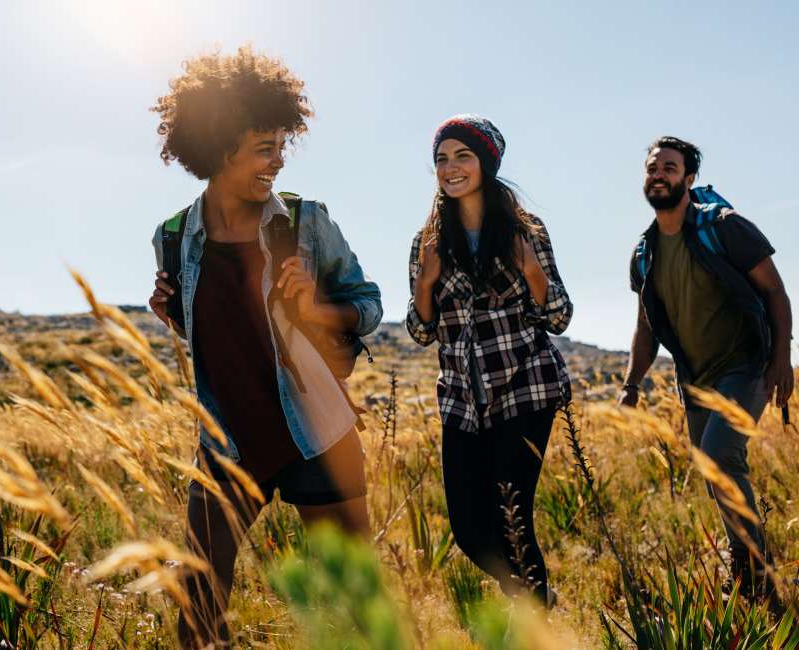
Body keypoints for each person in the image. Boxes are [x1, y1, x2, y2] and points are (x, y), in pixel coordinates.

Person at [147, 47, 382, 648]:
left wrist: (317, 309)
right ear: (219, 146)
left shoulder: (307, 222)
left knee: (360, 604)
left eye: (282, 146)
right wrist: (171, 315)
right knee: (197, 604)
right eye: (263, 148)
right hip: (227, 441)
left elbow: (369, 305)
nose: (278, 161)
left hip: (317, 434)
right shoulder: (174, 237)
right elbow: (211, 331)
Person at [406, 114, 573, 607]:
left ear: (487, 163)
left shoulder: (526, 231)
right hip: (461, 402)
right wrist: (424, 284)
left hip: (525, 391)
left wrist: (532, 271)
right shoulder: (428, 242)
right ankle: (533, 598)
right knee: (468, 529)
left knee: (512, 519)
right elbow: (420, 331)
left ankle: (532, 623)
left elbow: (560, 316)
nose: (450, 168)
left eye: (463, 156)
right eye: (441, 159)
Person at [620, 136, 792, 603]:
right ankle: (745, 562)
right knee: (714, 472)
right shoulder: (645, 252)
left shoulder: (725, 227)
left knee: (719, 454)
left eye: (670, 167)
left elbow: (775, 292)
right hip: (695, 380)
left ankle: (757, 573)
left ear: (689, 179)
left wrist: (782, 359)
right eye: (652, 167)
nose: (659, 174)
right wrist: (631, 383)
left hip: (746, 364)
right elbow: (645, 325)